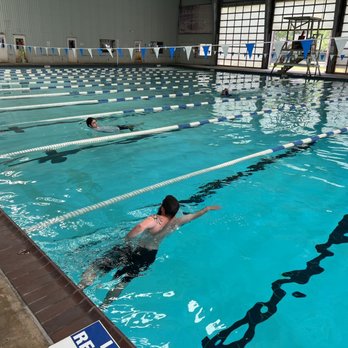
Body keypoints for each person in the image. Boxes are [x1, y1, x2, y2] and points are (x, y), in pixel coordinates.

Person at [78, 195, 220, 307]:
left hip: (136, 249)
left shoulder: (155, 218)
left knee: (99, 265)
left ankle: (81, 287)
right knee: (122, 282)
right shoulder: (177, 221)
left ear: (163, 208)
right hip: (149, 256)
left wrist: (127, 239)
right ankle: (103, 306)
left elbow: (140, 226)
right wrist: (206, 209)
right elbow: (193, 216)